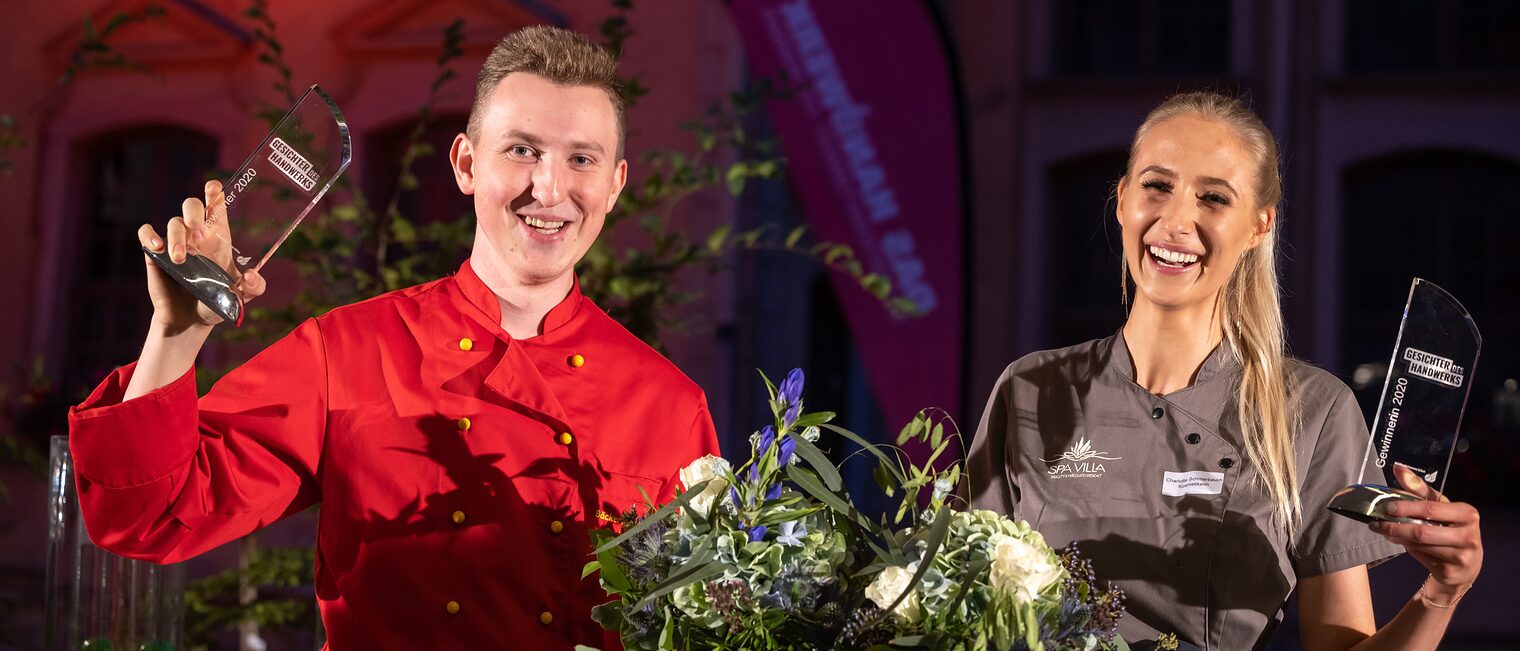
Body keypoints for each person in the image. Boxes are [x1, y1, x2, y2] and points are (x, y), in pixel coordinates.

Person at [66, 26, 719, 649]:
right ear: (465, 163)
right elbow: (146, 518)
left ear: (614, 184)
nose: (548, 188)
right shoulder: (347, 350)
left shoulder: (669, 404)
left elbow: (709, 626)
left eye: (581, 158)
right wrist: (176, 335)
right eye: (521, 150)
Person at [966, 92, 1483, 650]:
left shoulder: (1311, 412)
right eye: (1157, 186)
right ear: (1122, 200)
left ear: (1259, 226)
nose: (1176, 221)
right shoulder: (1030, 389)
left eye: (1213, 198)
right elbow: (958, 605)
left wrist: (1442, 592)